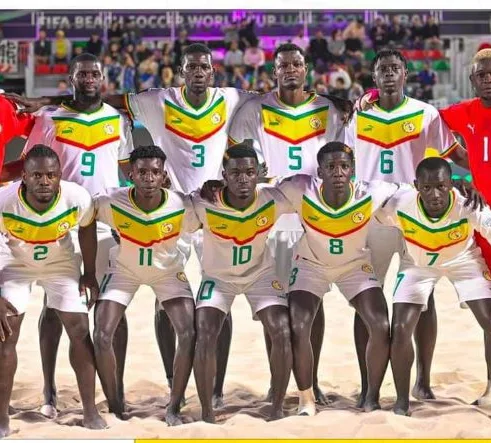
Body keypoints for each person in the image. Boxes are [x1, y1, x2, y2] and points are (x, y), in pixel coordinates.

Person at [2, 53, 134, 418]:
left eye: (95, 73)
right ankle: (49, 390)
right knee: (54, 307)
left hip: (104, 221)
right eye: (82, 74)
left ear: (104, 78)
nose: (89, 79)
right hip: (61, 221)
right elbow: (32, 163)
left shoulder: (118, 120)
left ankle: (115, 390)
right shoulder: (49, 117)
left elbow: (123, 173)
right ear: (71, 79)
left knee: (110, 308)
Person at [228, 42, 353, 404]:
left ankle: (310, 382)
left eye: (296, 64)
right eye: (283, 65)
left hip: (315, 217)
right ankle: (278, 382)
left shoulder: (328, 110)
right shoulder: (253, 110)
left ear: (306, 69)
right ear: (274, 72)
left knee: (313, 304)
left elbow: (340, 162)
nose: (290, 70)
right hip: (271, 221)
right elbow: (241, 163)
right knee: (277, 308)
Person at [352, 48, 472, 408]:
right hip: (371, 217)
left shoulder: (426, 113)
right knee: (366, 301)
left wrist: (476, 177)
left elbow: (456, 156)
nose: (389, 74)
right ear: (374, 78)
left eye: (395, 69)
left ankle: (422, 381)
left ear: (405, 74)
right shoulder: (357, 115)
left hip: (418, 216)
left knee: (423, 298)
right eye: (383, 70)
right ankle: (365, 383)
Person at [274, 142, 392, 414]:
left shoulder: (372, 191)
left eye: (344, 166)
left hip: (354, 266)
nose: (338, 172)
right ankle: (306, 399)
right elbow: (261, 192)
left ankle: (371, 396)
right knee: (299, 326)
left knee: (380, 323)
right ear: (320, 171)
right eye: (331, 167)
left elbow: (411, 191)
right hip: (311, 264)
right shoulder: (300, 189)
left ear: (352, 170)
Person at [0, 145, 106, 437]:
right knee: (5, 332)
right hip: (16, 262)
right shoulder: (5, 201)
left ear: (60, 175)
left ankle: (90, 411)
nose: (44, 181)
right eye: (36, 175)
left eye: (50, 175)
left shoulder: (77, 197)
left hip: (60, 263)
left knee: (80, 329)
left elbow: (86, 227)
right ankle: (2, 419)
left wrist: (90, 273)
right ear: (24, 177)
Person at [375, 157, 491, 415]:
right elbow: (368, 212)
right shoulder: (400, 203)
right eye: (426, 188)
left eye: (441, 186)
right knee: (401, 328)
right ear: (416, 185)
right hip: (419, 264)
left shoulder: (469, 204)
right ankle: (403, 401)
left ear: (452, 184)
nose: (434, 194)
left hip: (463, 261)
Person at [94, 146, 196, 425]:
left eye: (155, 172)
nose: (149, 178)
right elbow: (85, 219)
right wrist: (90, 273)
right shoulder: (111, 201)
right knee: (102, 333)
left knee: (188, 331)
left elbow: (213, 217)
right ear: (131, 175)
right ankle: (116, 404)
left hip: (167, 273)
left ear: (164, 176)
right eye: (142, 172)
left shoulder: (183, 204)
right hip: (124, 271)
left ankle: (174, 405)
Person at [191, 144, 293, 423]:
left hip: (260, 274)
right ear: (224, 175)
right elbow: (172, 217)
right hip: (217, 277)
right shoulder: (203, 202)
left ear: (259, 174)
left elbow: (307, 189)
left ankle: (277, 405)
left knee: (282, 330)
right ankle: (207, 410)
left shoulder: (273, 198)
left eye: (249, 172)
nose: (243, 179)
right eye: (235, 173)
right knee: (205, 332)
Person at [438, 48, 491, 404]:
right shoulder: (464, 113)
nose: (488, 80)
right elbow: (427, 117)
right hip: (483, 221)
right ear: (472, 80)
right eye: (482, 75)